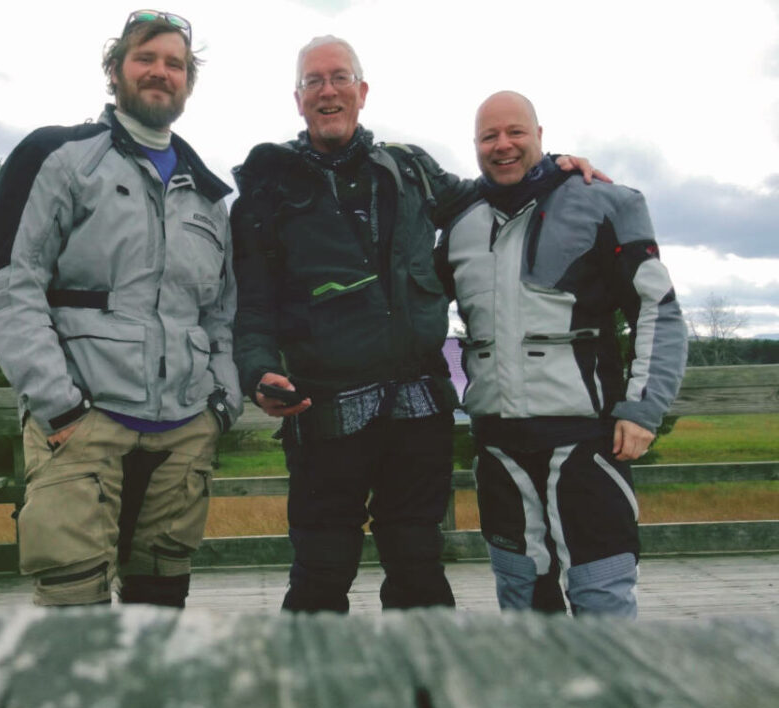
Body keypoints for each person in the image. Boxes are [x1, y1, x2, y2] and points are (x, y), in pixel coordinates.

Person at [230, 36, 599, 614]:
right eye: (313, 81)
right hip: (323, 412)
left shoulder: (409, 169)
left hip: (417, 408)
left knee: (418, 566)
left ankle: (421, 695)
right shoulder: (265, 190)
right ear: (298, 99)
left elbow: (492, 189)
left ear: (362, 91)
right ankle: (307, 695)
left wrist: (552, 168)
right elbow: (250, 306)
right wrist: (258, 372)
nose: (328, 90)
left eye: (340, 78)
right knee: (321, 573)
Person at [0, 10, 240, 608]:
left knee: (159, 609)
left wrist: (220, 406)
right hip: (82, 429)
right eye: (145, 58)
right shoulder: (59, 157)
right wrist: (59, 406)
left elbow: (221, 315)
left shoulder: (209, 194)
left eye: (174, 63)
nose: (160, 72)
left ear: (187, 83)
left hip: (183, 435)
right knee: (76, 623)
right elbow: (7, 285)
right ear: (115, 69)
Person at [436, 91, 687, 618]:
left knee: (601, 591)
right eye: (488, 136)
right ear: (475, 145)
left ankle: (610, 701)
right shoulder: (459, 222)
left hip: (585, 441)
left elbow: (657, 309)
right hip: (498, 445)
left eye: (515, 132)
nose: (502, 145)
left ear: (540, 136)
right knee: (521, 595)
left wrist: (644, 408)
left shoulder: (605, 203)